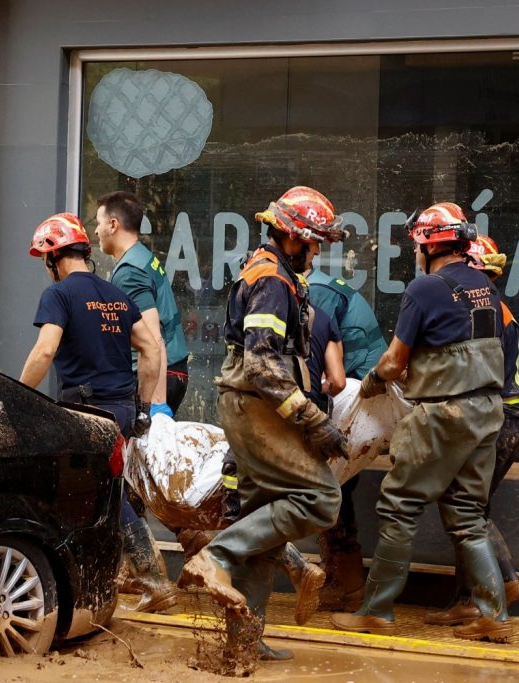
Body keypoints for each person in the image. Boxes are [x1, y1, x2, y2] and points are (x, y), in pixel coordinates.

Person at [330, 202, 511, 642]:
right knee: (468, 514)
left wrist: (371, 383)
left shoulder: (425, 289)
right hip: (487, 411)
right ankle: (492, 612)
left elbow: (395, 360)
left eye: (416, 246)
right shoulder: (485, 288)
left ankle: (377, 610)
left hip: (443, 414)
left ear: (427, 246)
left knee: (398, 506)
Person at [180, 186, 348, 661]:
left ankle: (242, 646)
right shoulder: (274, 281)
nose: (316, 251)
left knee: (261, 522)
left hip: (254, 405)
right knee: (322, 498)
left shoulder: (274, 274)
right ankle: (215, 556)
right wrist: (315, 422)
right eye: (313, 242)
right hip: (255, 407)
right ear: (292, 237)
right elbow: (261, 365)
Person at [18, 212, 178, 615]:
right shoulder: (114, 294)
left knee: (103, 494)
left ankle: (153, 578)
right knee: (100, 492)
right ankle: (104, 578)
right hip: (121, 409)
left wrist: (18, 395)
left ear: (53, 258)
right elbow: (152, 348)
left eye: (45, 259)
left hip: (86, 413)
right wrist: (142, 405)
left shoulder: (59, 296)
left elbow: (44, 350)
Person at [424, 235, 519, 626]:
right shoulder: (495, 308)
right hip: (510, 418)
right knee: (467, 505)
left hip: (502, 417)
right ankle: (468, 598)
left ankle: (503, 580)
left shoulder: (488, 313)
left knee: (465, 507)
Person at [306, 243, 387, 611]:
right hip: (359, 391)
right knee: (332, 486)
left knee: (331, 485)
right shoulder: (314, 288)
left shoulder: (316, 294)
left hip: (361, 395)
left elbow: (325, 370)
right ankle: (340, 579)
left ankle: (348, 584)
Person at [95, 190, 190, 416]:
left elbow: (153, 338)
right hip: (168, 372)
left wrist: (155, 404)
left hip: (158, 378)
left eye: (99, 223)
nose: (96, 231)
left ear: (113, 225)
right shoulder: (142, 257)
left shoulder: (130, 272)